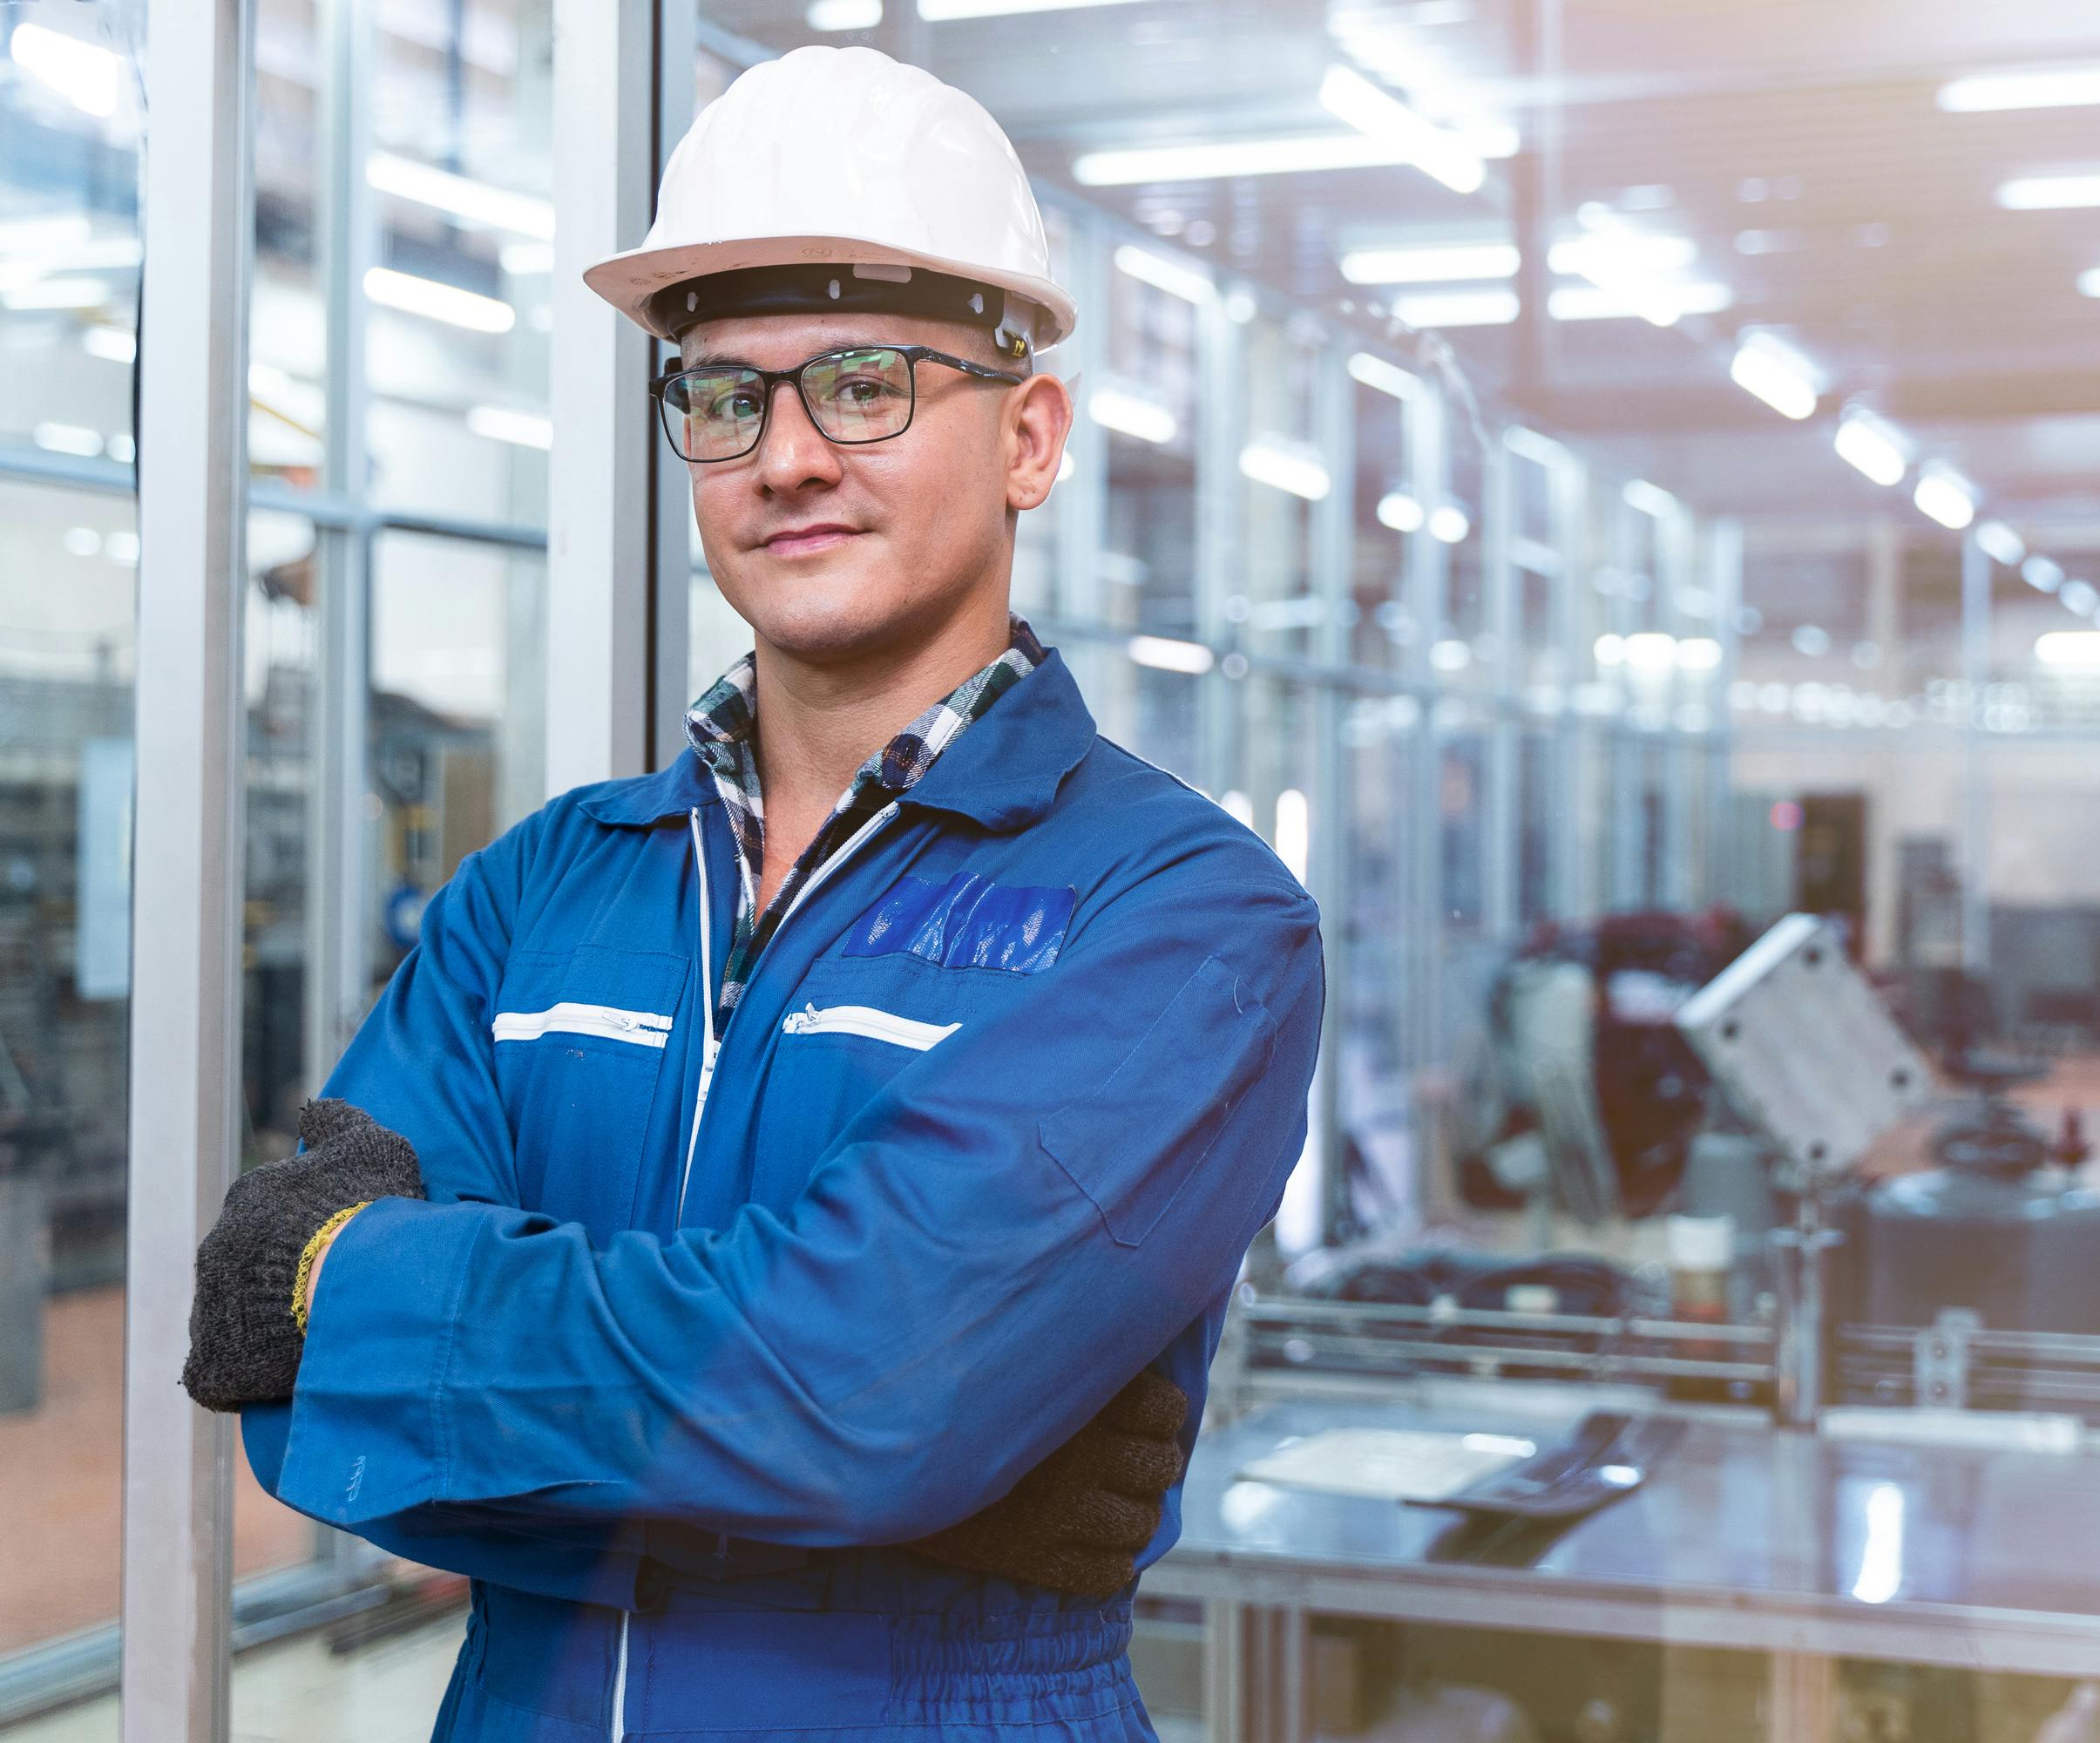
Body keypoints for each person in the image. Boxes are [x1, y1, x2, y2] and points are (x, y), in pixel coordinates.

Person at [178, 44, 1324, 1742]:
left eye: (863, 381)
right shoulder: (534, 892)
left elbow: (862, 1393)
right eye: (726, 393)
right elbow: (282, 1371)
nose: (785, 454)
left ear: (1030, 435)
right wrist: (885, 1459)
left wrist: (402, 1320)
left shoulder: (1181, 922)